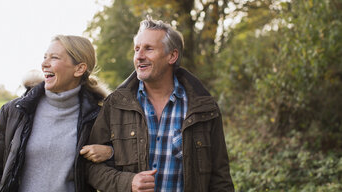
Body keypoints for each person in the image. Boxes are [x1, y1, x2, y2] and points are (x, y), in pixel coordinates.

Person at [85, 18, 235, 191]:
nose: (139, 56)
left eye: (149, 49)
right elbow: (90, 168)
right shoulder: (115, 105)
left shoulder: (204, 109)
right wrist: (128, 183)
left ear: (172, 56)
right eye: (137, 49)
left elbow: (220, 178)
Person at [0, 35, 113, 192]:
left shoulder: (98, 117)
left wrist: (110, 153)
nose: (44, 64)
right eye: (44, 57)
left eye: (54, 58)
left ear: (79, 69)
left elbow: (122, 166)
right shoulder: (14, 111)